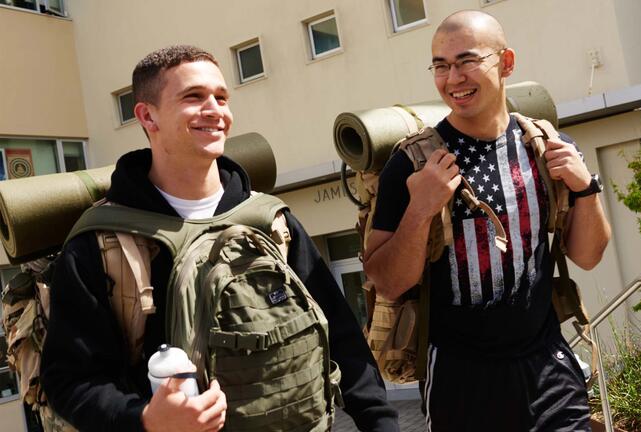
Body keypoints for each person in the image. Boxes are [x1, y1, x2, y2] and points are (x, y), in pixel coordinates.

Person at [40, 45, 399, 432]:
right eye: (194, 97)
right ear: (147, 115)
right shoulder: (102, 243)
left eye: (222, 97)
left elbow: (340, 334)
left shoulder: (271, 220)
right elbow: (70, 380)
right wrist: (143, 419)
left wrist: (380, 422)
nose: (215, 110)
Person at [364, 11, 611, 432]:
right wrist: (420, 208)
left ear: (507, 62)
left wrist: (586, 187)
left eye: (466, 61)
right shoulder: (409, 165)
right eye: (440, 66)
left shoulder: (547, 145)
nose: (453, 78)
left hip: (547, 365)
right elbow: (386, 281)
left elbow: (588, 256)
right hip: (459, 378)